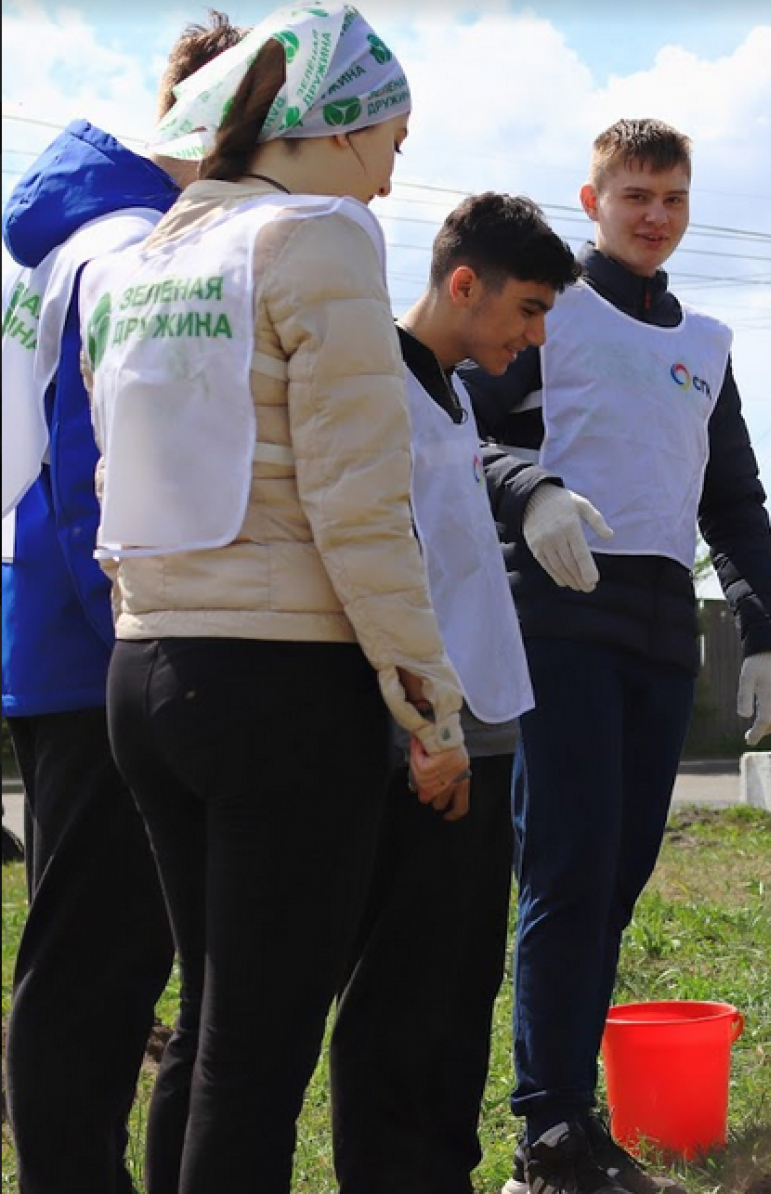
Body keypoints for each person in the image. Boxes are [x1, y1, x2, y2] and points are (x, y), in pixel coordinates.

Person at [79, 6, 470, 1190]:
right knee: (255, 1058)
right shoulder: (321, 240)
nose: (393, 183)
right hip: (279, 683)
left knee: (210, 1033)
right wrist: (430, 710)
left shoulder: (140, 259)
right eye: (394, 145)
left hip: (146, 672)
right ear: (340, 129)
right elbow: (361, 505)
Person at [458, 118, 771, 1194]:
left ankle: (571, 1113)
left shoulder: (707, 343)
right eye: (633, 195)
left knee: (618, 876)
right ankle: (544, 1135)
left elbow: (733, 502)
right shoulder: (550, 314)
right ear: (592, 199)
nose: (654, 216)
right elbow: (462, 435)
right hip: (558, 613)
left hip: (661, 629)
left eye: (673, 198)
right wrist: (533, 491)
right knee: (565, 868)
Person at [0, 14, 244, 1193]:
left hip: (53, 643)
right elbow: (96, 474)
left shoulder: (67, 238)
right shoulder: (130, 249)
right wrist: (154, 659)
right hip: (103, 650)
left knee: (78, 967)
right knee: (91, 978)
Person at [329, 193, 582, 1194]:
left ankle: (445, 1169)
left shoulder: (453, 392)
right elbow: (377, 562)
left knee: (462, 978)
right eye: (526, 309)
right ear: (462, 284)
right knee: (402, 984)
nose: (535, 334)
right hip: (425, 741)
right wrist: (421, 732)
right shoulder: (377, 384)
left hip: (484, 730)